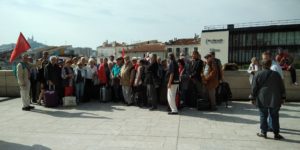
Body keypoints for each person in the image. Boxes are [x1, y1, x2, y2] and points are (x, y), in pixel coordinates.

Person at [252, 59, 285, 140]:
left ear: (261, 65)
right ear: (270, 65)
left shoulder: (258, 74)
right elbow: (282, 87)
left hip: (262, 98)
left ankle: (263, 132)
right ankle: (276, 134)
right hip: (275, 98)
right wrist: (283, 97)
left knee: (263, 115)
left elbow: (254, 87)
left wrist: (252, 98)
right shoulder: (276, 74)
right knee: (274, 116)